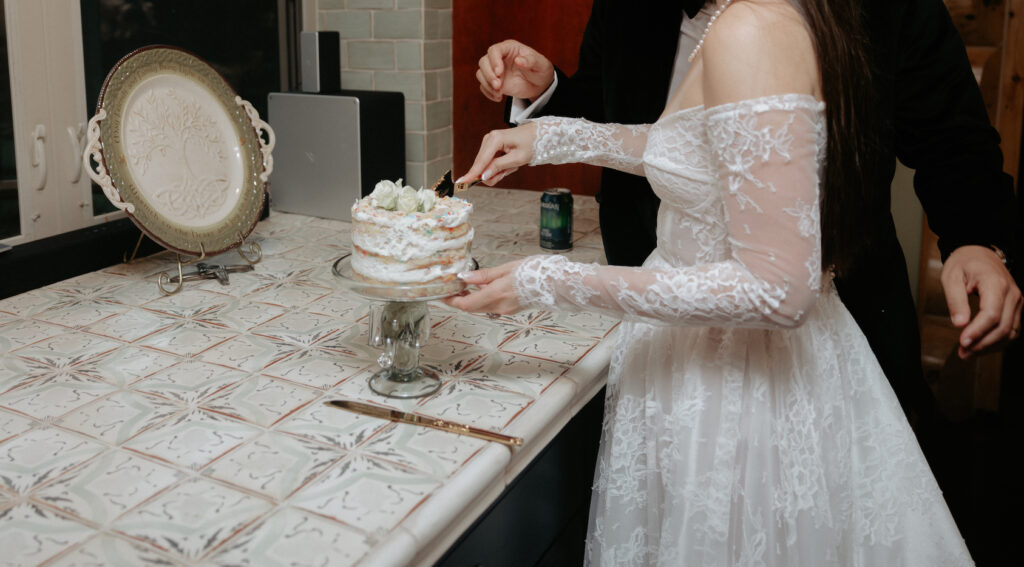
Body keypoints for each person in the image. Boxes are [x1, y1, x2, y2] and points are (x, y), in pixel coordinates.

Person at [448, 0, 976, 563]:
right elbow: (697, 148)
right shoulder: (773, 14)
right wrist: (554, 138)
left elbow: (777, 290)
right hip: (712, 360)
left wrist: (548, 282)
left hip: (744, 392)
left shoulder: (751, 28)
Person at [470, 0, 1022, 431]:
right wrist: (550, 109)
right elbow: (671, 135)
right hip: (664, 317)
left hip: (830, 313)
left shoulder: (789, 21)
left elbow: (952, 132)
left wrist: (975, 239)